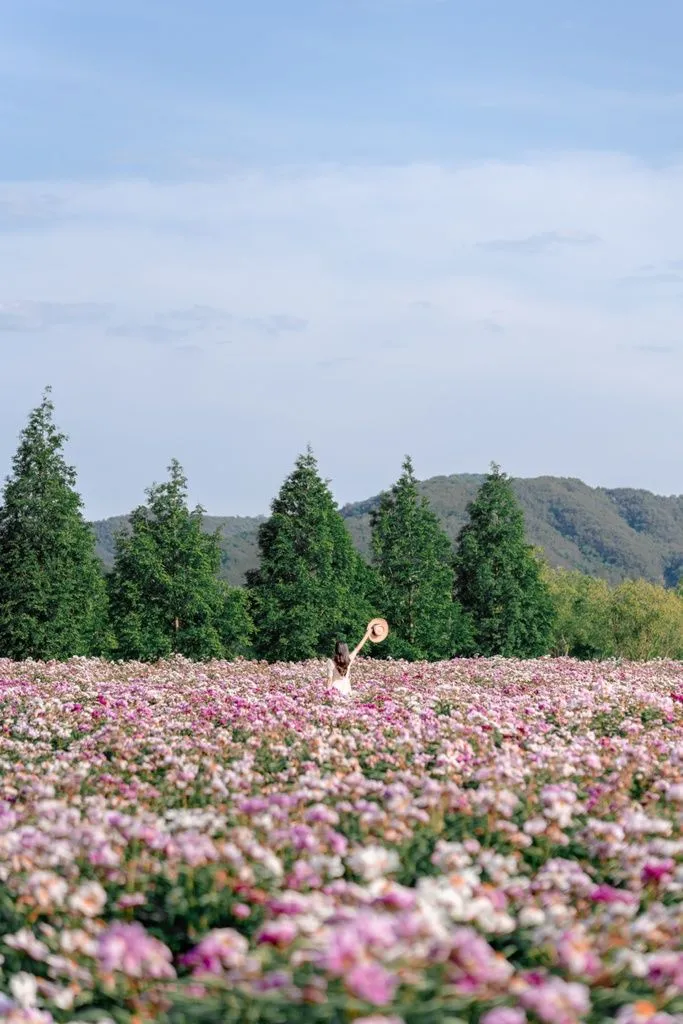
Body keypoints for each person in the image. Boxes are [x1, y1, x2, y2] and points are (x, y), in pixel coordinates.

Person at [327, 628, 371, 696]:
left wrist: (327, 692)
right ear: (346, 649)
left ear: (336, 649)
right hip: (346, 689)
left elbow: (329, 678)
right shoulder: (349, 659)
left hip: (335, 690)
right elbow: (358, 647)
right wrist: (368, 634)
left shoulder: (330, 661)